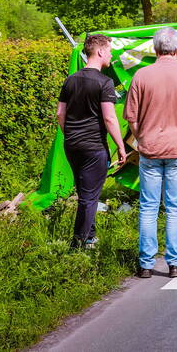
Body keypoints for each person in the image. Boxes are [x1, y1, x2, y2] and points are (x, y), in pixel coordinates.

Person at [124, 27, 177, 278]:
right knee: (174, 207)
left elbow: (131, 117)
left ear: (155, 48)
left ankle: (146, 264)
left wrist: (142, 138)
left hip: (149, 148)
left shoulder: (141, 76)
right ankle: (174, 263)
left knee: (148, 207)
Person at [56, 33, 128, 249]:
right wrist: (121, 147)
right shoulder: (104, 82)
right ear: (99, 51)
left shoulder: (71, 80)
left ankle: (90, 237)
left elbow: (61, 114)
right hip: (94, 146)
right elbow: (109, 117)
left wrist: (70, 134)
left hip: (72, 145)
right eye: (109, 50)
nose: (111, 54)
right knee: (88, 198)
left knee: (86, 193)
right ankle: (77, 245)